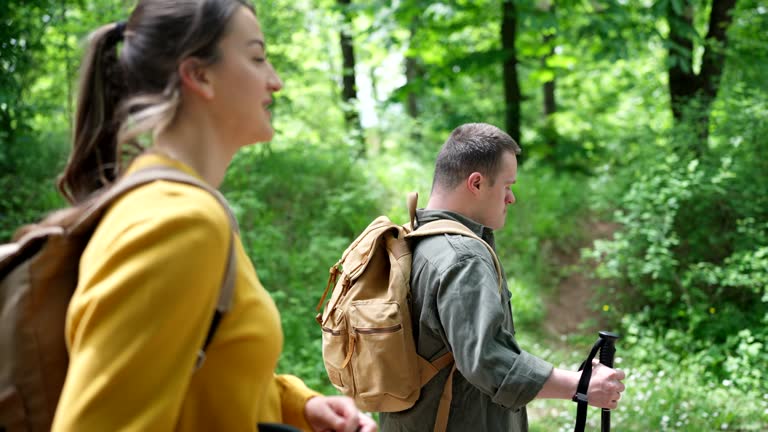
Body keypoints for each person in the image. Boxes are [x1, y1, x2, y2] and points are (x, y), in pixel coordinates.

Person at [50, 1, 377, 431]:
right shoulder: (177, 222)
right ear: (199, 75)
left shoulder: (185, 207)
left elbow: (201, 373)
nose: (275, 82)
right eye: (257, 57)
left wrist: (297, 406)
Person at [379, 123, 625, 432]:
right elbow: (488, 362)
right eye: (507, 186)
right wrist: (580, 385)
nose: (511, 198)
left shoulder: (417, 239)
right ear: (477, 183)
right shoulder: (462, 257)